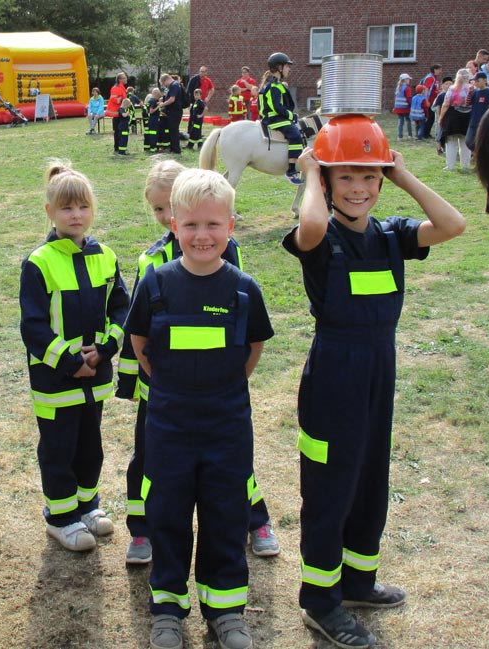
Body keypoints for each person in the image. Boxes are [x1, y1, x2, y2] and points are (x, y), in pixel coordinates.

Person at [283, 114, 465, 649]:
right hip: (334, 374)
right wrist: (311, 177)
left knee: (369, 476)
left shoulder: (392, 236)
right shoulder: (322, 237)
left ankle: (358, 580)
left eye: (369, 177)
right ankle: (320, 601)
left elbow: (453, 225)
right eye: (346, 178)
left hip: (378, 369)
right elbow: (310, 227)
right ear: (327, 184)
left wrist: (403, 174)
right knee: (331, 484)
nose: (359, 188)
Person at [125, 168, 273, 649]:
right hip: (169, 424)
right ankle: (168, 609)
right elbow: (140, 341)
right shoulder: (155, 284)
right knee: (167, 515)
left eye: (213, 225)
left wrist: (219, 389)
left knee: (225, 516)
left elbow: (253, 349)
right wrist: (172, 387)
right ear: (173, 225)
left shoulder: (244, 289)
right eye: (190, 225)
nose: (201, 235)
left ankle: (225, 609)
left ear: (231, 226)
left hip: (226, 424)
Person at [19, 160, 129, 553]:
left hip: (95, 375)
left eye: (82, 207)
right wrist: (71, 361)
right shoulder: (39, 262)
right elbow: (33, 327)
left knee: (90, 445)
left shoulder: (107, 257)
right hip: (56, 380)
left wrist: (103, 351)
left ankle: (88, 506)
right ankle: (61, 517)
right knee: (58, 447)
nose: (76, 215)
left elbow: (123, 311)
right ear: (50, 212)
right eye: (66, 208)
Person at [259, 52, 304, 185]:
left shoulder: (276, 84)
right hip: (273, 119)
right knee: (295, 135)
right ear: (279, 67)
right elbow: (276, 107)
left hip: (277, 117)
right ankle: (291, 171)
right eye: (287, 66)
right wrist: (291, 116)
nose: (289, 69)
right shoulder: (273, 86)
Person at [438, 68, 473, 171]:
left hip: (453, 117)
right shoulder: (472, 88)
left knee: (451, 143)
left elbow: (446, 104)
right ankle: (465, 165)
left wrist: (441, 117)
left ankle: (450, 166)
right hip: (467, 117)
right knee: (465, 143)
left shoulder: (452, 89)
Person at [465, 72, 489, 151]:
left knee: (482, 141)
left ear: (485, 80)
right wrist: (470, 93)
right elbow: (467, 103)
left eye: (478, 81)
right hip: (473, 121)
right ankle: (477, 153)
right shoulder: (475, 92)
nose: (476, 83)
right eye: (475, 81)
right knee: (469, 142)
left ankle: (480, 154)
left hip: (484, 122)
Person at [158, 73, 184, 154]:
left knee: (174, 130)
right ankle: (173, 148)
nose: (164, 86)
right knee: (172, 130)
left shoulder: (174, 85)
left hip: (175, 112)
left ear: (166, 80)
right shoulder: (173, 86)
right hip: (172, 111)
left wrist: (163, 104)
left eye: (163, 83)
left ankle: (176, 150)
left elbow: (172, 99)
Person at [419, 65, 442, 139]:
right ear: (434, 70)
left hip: (433, 100)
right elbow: (426, 89)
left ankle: (427, 133)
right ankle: (425, 133)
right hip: (430, 101)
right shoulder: (430, 78)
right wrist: (426, 100)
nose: (440, 71)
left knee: (432, 118)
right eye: (439, 69)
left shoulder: (435, 78)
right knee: (430, 117)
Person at [432, 76, 453, 157]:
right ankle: (439, 148)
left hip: (449, 118)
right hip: (441, 117)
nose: (448, 85)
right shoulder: (441, 95)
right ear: (442, 86)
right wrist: (439, 117)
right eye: (446, 84)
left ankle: (445, 148)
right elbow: (437, 107)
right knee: (439, 133)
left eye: (450, 84)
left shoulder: (452, 94)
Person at [109, 72, 129, 143]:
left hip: (121, 112)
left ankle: (120, 146)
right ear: (119, 80)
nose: (126, 79)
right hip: (117, 113)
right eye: (124, 78)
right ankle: (117, 147)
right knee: (117, 131)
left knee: (120, 131)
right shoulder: (116, 88)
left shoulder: (121, 87)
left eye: (125, 77)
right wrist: (122, 99)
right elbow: (113, 99)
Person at [393, 73, 413, 140]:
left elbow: (396, 98)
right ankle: (410, 135)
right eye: (408, 79)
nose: (409, 80)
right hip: (405, 108)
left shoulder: (398, 88)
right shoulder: (407, 88)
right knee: (408, 121)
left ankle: (400, 136)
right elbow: (408, 98)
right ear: (405, 80)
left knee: (400, 122)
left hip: (398, 108)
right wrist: (411, 106)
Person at [144, 88, 162, 153]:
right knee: (153, 135)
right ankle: (153, 148)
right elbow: (151, 111)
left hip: (152, 120)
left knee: (152, 134)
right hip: (154, 120)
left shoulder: (150, 100)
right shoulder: (153, 101)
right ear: (156, 94)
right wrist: (158, 106)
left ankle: (152, 147)